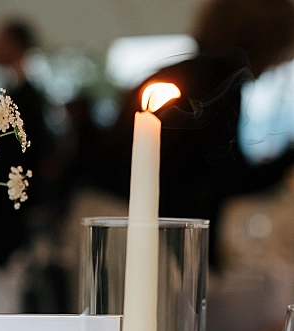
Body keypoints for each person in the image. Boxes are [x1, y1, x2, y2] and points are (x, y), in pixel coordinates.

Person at [92, 0, 294, 270]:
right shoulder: (218, 80)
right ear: (267, 38)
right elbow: (224, 177)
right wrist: (285, 161)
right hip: (142, 233)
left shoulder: (189, 73)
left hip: (121, 219)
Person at [0, 19, 53, 269]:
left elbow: (11, 158)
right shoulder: (15, 93)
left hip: (8, 214)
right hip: (2, 211)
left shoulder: (27, 99)